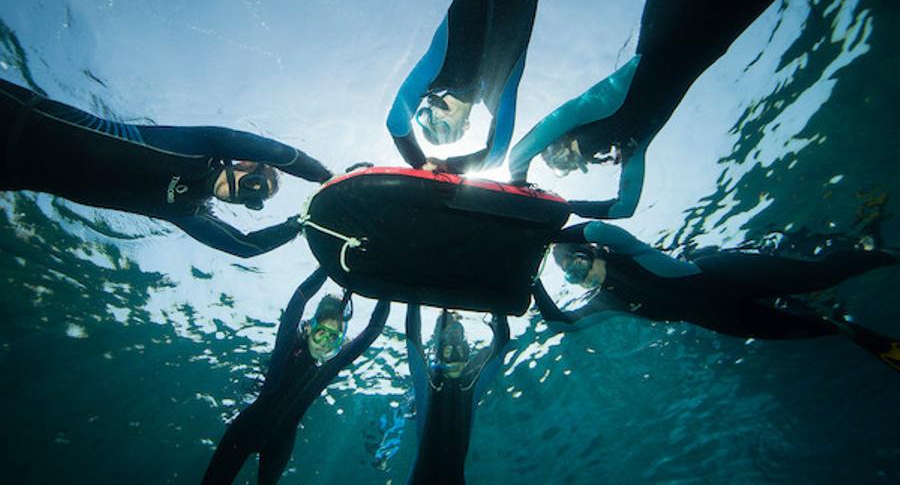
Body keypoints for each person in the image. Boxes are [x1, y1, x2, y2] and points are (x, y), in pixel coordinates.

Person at [508, 0, 856, 218]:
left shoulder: (596, 106)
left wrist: (520, 188)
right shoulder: (636, 142)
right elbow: (624, 208)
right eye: (570, 167)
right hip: (718, 31)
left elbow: (519, 153)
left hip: (672, 5)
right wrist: (566, 207)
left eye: (560, 155)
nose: (572, 159)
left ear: (561, 139)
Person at [386, 0, 595, 174]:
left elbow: (396, 122)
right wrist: (448, 167)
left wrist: (421, 164)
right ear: (466, 127)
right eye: (444, 131)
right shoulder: (498, 91)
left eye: (427, 119)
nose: (435, 119)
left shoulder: (439, 69)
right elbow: (496, 155)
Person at [0, 77, 332, 257]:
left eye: (254, 199)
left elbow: (245, 247)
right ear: (244, 164)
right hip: (18, 116)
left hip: (10, 174)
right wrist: (327, 178)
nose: (244, 194)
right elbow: (275, 151)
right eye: (256, 183)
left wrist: (301, 223)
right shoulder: (203, 147)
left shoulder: (187, 211)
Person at [534, 221, 899, 371]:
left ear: (590, 252)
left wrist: (550, 235)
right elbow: (561, 324)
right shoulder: (608, 303)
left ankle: (886, 255)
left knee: (820, 275)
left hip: (724, 274)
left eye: (578, 266)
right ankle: (865, 337)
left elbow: (599, 228)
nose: (579, 277)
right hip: (725, 320)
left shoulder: (628, 253)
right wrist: (531, 282)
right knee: (812, 328)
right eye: (571, 276)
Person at [202, 268, 390, 484]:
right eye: (321, 333)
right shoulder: (287, 347)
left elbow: (373, 331)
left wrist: (386, 288)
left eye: (333, 338)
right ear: (309, 328)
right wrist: (328, 266)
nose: (325, 343)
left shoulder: (328, 368)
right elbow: (299, 299)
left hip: (280, 444)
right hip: (244, 429)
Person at [405, 305, 509, 484]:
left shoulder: (469, 386)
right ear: (438, 353)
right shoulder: (428, 383)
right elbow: (413, 336)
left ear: (467, 352)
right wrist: (498, 309)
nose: (454, 357)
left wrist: (413, 297)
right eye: (447, 351)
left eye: (460, 350)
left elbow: (501, 345)